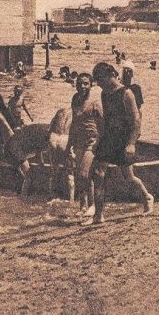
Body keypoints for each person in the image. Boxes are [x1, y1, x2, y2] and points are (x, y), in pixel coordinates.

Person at [84, 62, 153, 225]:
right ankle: (98, 215)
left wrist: (131, 144)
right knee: (97, 173)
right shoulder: (104, 94)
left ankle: (147, 197)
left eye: (100, 80)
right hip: (109, 138)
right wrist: (99, 140)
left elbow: (136, 120)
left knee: (128, 176)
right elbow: (106, 121)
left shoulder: (126, 93)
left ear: (109, 76)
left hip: (123, 139)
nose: (99, 85)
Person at [67, 73, 103, 216]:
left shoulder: (95, 103)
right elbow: (74, 123)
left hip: (92, 141)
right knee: (78, 174)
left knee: (84, 172)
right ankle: (83, 206)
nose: (82, 87)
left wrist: (101, 144)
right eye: (79, 83)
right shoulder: (75, 99)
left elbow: (102, 124)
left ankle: (93, 205)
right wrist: (69, 143)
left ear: (91, 85)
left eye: (85, 83)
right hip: (79, 141)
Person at [2, 123, 53, 195]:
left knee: (23, 174)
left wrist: (41, 162)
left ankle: (19, 193)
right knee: (28, 175)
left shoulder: (44, 128)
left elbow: (38, 148)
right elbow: (39, 149)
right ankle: (24, 196)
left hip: (10, 147)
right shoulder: (47, 133)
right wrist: (42, 163)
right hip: (15, 149)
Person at [47, 107, 73, 201]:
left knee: (54, 171)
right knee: (70, 171)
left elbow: (49, 129)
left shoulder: (60, 111)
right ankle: (71, 200)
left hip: (53, 137)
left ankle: (52, 197)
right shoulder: (77, 113)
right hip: (65, 139)